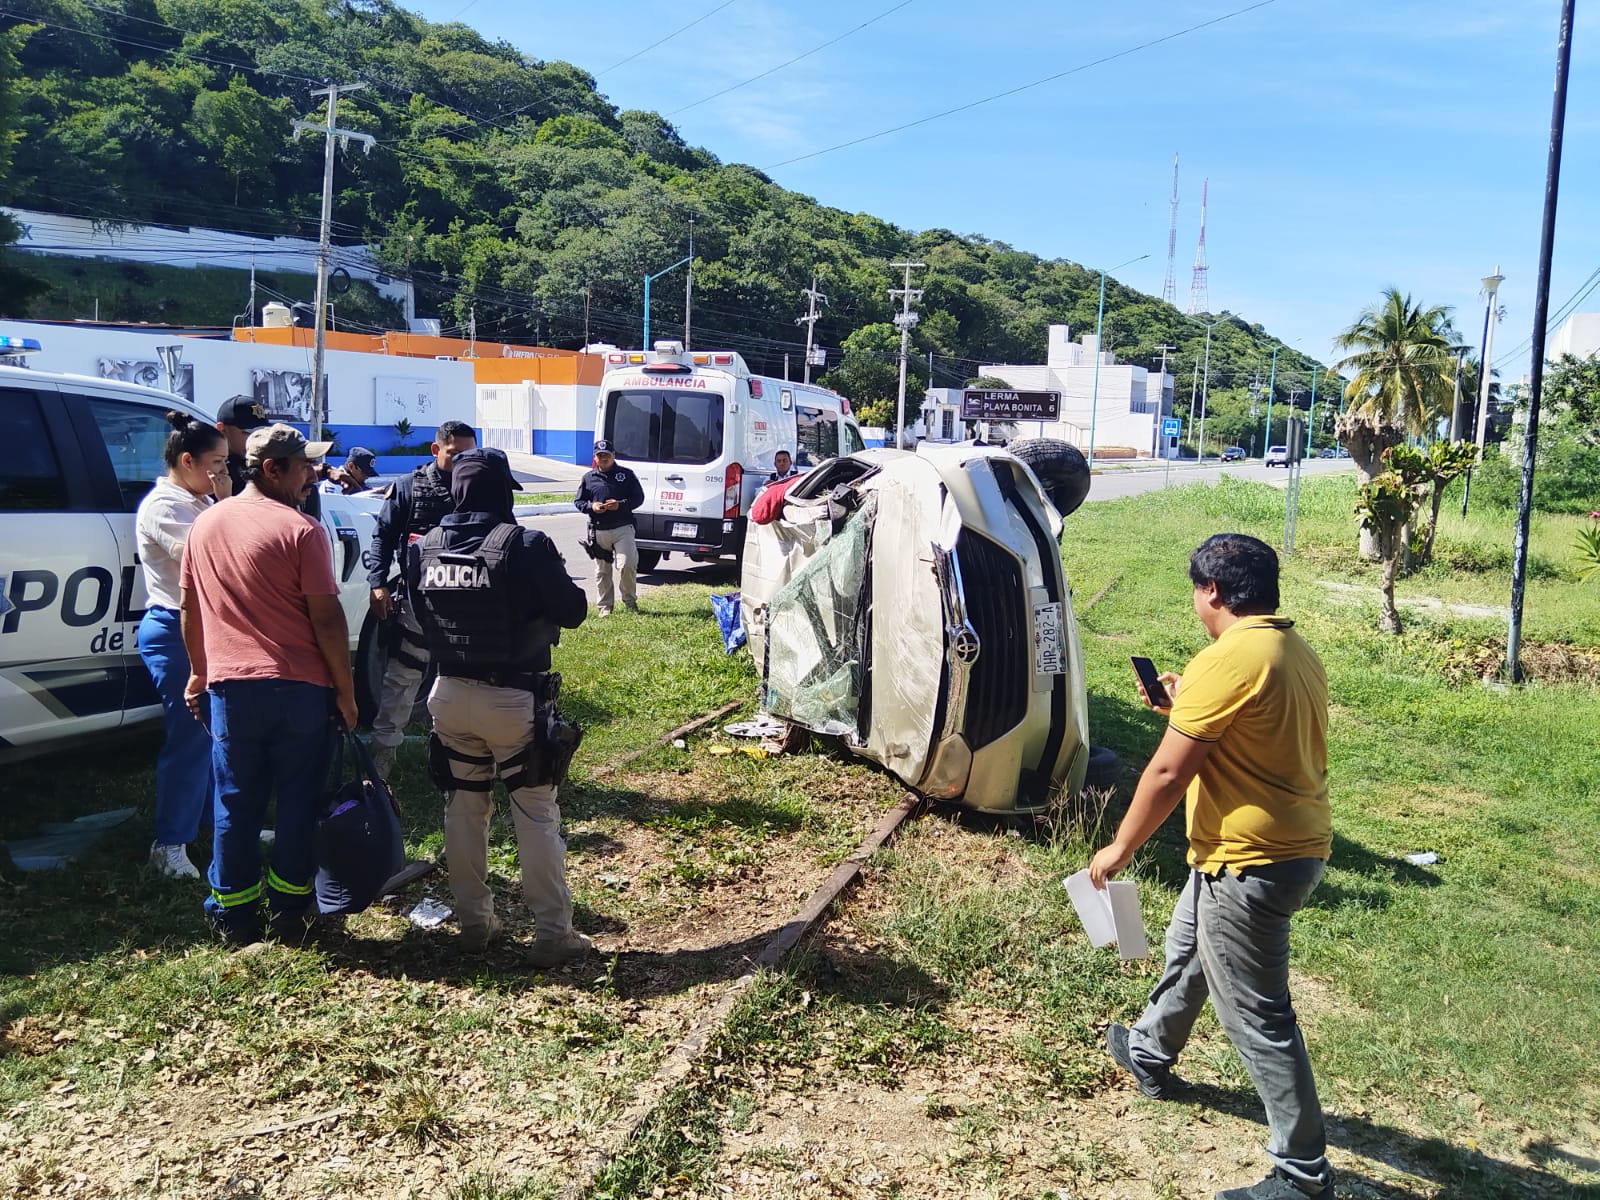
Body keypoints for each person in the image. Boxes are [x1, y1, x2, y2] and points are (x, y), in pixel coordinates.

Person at [1089, 533, 1334, 1200]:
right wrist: (1182, 707)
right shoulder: (1291, 649)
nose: (1196, 605)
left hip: (1251, 861)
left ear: (1214, 592)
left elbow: (1168, 773)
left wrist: (1121, 847)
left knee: (1258, 1016)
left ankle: (1301, 1174)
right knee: (1190, 948)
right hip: (1282, 848)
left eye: (1196, 593)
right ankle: (1148, 1049)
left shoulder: (1226, 660)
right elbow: (1251, 735)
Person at [406, 449, 590, 963]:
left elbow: (420, 614)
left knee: (464, 810)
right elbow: (573, 611)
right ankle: (552, 935)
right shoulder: (525, 544)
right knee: (535, 815)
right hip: (512, 700)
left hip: (447, 696)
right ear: (502, 492)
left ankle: (474, 924)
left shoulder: (425, 548)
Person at [180, 424, 357, 945]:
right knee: (299, 801)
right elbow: (327, 620)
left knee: (235, 803)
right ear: (272, 470)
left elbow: (189, 609)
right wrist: (346, 692)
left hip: (231, 691)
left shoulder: (205, 524)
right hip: (299, 691)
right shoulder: (302, 530)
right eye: (303, 466)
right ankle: (288, 912)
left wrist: (199, 672)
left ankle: (233, 916)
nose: (313, 475)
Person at [135, 412, 231, 879]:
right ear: (187, 460)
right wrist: (227, 506)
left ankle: (218, 824)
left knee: (219, 735)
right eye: (217, 464)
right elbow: (209, 558)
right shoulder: (165, 506)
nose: (224, 474)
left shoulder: (198, 499)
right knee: (191, 738)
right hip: (176, 630)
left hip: (208, 628)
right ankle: (170, 843)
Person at [363, 419, 478, 776]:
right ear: (435, 449)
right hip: (418, 600)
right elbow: (383, 537)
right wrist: (377, 583)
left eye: (469, 455)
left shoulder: (481, 485)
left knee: (466, 683)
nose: (462, 462)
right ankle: (384, 755)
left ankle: (462, 756)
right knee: (402, 678)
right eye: (455, 454)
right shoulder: (409, 487)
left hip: (469, 602)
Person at [573, 439, 644, 617]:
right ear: (595, 457)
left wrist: (620, 505)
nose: (603, 458)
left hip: (623, 528)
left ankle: (630, 602)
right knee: (602, 571)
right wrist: (592, 506)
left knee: (627, 564)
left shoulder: (626, 475)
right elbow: (579, 502)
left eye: (607, 455)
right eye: (600, 456)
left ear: (613, 455)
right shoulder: (588, 478)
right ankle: (605, 607)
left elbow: (638, 498)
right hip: (599, 530)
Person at [214, 394, 269, 496]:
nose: (256, 438)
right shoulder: (212, 467)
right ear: (222, 429)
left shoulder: (265, 463)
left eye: (260, 431)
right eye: (248, 432)